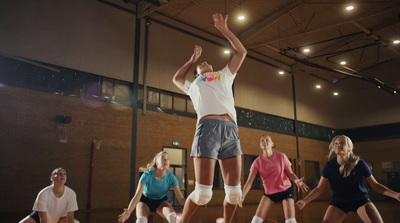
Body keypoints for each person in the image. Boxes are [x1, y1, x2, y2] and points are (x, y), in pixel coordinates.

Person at [172, 12, 247, 223]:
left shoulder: (225, 75)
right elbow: (177, 78)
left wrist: (223, 29)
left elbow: (241, 52)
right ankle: (181, 221)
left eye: (205, 62)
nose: (205, 62)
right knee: (204, 193)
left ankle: (226, 221)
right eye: (200, 65)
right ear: (197, 74)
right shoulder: (194, 85)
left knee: (235, 194)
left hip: (231, 131)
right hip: (208, 129)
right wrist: (192, 60)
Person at [296, 135, 400, 223]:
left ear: (349, 148)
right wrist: (305, 201)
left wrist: (395, 195)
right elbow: (319, 189)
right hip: (339, 201)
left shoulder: (360, 164)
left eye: (342, 143)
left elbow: (375, 185)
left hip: (360, 200)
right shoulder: (329, 166)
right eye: (336, 143)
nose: (338, 145)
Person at [239, 135, 309, 223]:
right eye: (262, 141)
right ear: (260, 145)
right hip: (269, 194)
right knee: (256, 221)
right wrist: (243, 195)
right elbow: (249, 182)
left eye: (267, 140)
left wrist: (296, 180)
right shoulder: (257, 162)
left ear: (272, 144)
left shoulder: (282, 156)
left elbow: (290, 173)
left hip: (286, 191)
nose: (265, 142)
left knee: (291, 221)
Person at [118, 151, 185, 223]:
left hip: (161, 202)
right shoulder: (147, 175)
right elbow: (137, 196)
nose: (166, 160)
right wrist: (128, 212)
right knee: (141, 220)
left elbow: (181, 200)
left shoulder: (172, 177)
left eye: (167, 158)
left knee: (173, 217)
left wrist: (194, 201)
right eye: (162, 158)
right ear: (156, 162)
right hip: (145, 201)